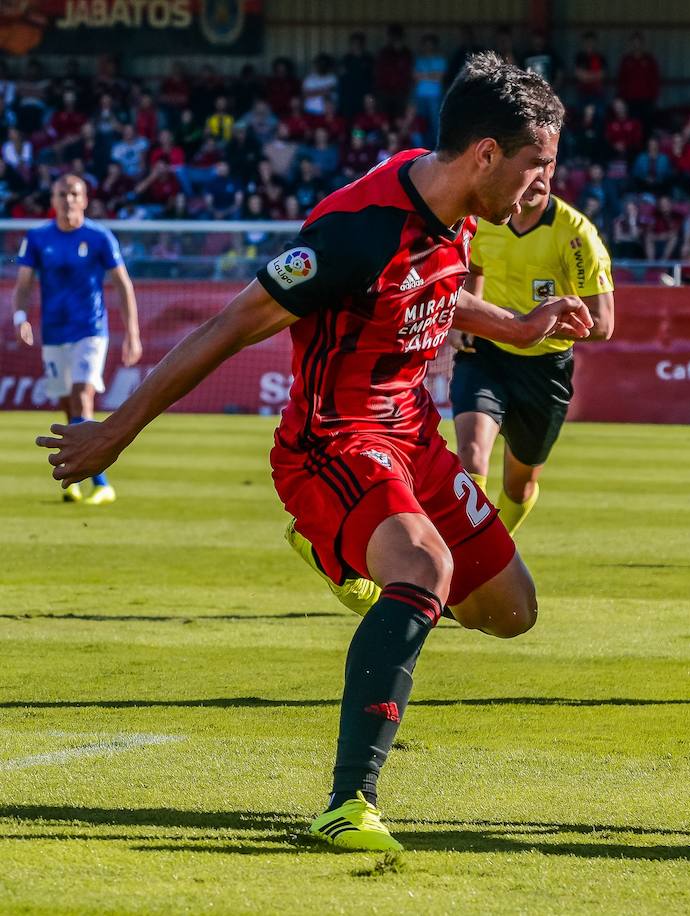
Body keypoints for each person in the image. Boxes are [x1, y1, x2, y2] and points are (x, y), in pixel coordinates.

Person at [37, 52, 592, 853]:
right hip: (332, 441)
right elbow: (227, 327)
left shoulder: (457, 203)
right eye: (536, 166)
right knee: (424, 571)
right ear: (484, 154)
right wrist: (113, 432)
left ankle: (350, 559)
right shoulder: (351, 235)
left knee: (512, 613)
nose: (543, 184)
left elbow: (432, 288)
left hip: (413, 434)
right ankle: (347, 803)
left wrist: (511, 325)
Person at [449, 175, 614, 534]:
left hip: (545, 368)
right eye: (530, 167)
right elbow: (475, 268)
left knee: (518, 486)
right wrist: (470, 320)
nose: (537, 178)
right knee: (471, 453)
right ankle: (465, 553)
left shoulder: (575, 233)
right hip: (486, 352)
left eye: (546, 168)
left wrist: (533, 326)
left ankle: (495, 544)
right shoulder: (485, 220)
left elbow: (603, 323)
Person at [12, 174, 141, 504]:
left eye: (74, 193)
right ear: (52, 200)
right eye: (61, 194)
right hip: (54, 333)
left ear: (84, 200)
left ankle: (101, 485)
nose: (68, 199)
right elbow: (24, 284)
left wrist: (132, 334)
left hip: (90, 331)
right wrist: (20, 317)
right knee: (67, 405)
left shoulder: (99, 237)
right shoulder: (38, 237)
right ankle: (74, 476)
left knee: (83, 397)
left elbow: (123, 285)